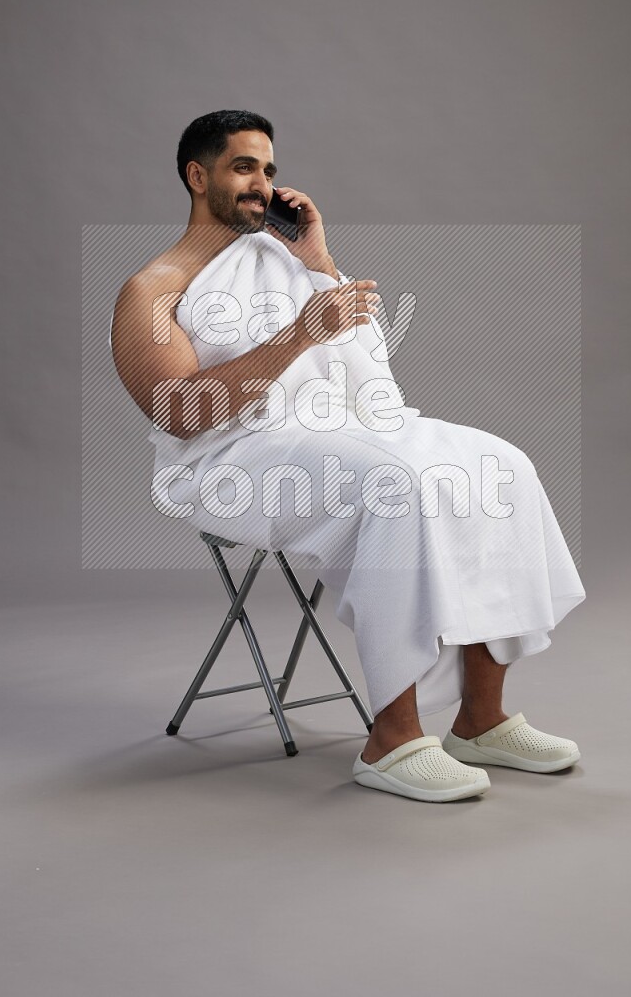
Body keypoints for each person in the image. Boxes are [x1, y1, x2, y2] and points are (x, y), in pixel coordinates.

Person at [110, 109, 586, 804]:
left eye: (268, 170)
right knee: (397, 485)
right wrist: (300, 333)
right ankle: (391, 739)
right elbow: (181, 413)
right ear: (196, 174)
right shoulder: (151, 290)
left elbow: (365, 374)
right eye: (244, 167)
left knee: (501, 465)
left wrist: (319, 265)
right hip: (234, 457)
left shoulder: (286, 260)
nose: (262, 184)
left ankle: (480, 721)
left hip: (334, 427)